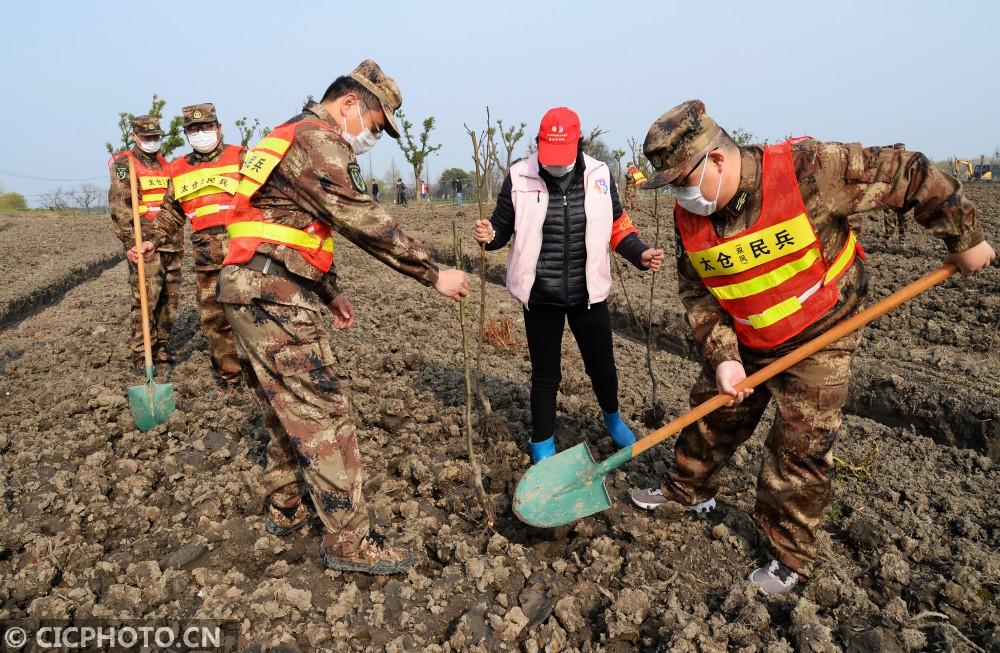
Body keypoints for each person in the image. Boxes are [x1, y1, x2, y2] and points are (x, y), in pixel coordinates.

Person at [630, 100, 995, 596]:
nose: (680, 193)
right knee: (713, 415)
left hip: (823, 330)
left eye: (682, 180)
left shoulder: (809, 171)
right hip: (749, 334)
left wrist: (964, 234)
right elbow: (698, 291)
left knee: (798, 448)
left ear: (716, 160)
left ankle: (790, 559)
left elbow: (907, 171)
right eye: (671, 184)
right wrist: (724, 358)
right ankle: (686, 490)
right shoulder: (690, 217)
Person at [216, 59, 469, 575]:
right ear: (350, 103)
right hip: (272, 292)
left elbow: (283, 222)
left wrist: (328, 291)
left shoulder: (283, 136)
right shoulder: (319, 141)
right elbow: (363, 219)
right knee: (325, 413)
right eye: (376, 125)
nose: (372, 136)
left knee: (285, 405)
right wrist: (432, 272)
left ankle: (285, 507)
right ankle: (349, 543)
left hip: (252, 284)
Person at [473, 107, 664, 463]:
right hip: (540, 294)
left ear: (579, 144)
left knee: (602, 366)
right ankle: (542, 443)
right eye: (549, 155)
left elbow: (618, 226)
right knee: (546, 375)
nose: (555, 164)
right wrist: (489, 235)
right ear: (539, 145)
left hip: (587, 293)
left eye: (564, 154)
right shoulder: (518, 176)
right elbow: (501, 226)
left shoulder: (600, 175)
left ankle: (613, 418)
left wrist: (640, 254)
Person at [130, 103, 245, 387]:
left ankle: (265, 377)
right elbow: (171, 212)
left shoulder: (242, 157)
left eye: (206, 127)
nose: (201, 133)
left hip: (245, 254)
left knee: (253, 317)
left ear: (219, 128)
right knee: (215, 320)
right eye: (193, 129)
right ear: (186, 134)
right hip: (207, 256)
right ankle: (231, 377)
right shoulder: (179, 168)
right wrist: (152, 240)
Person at [108, 115, 183, 372]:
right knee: (145, 300)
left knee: (168, 302)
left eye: (155, 137)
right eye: (147, 137)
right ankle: (143, 352)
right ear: (135, 137)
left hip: (171, 242)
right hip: (144, 244)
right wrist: (130, 241)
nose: (152, 142)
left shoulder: (167, 165)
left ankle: (161, 347)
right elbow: (121, 205)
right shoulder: (124, 164)